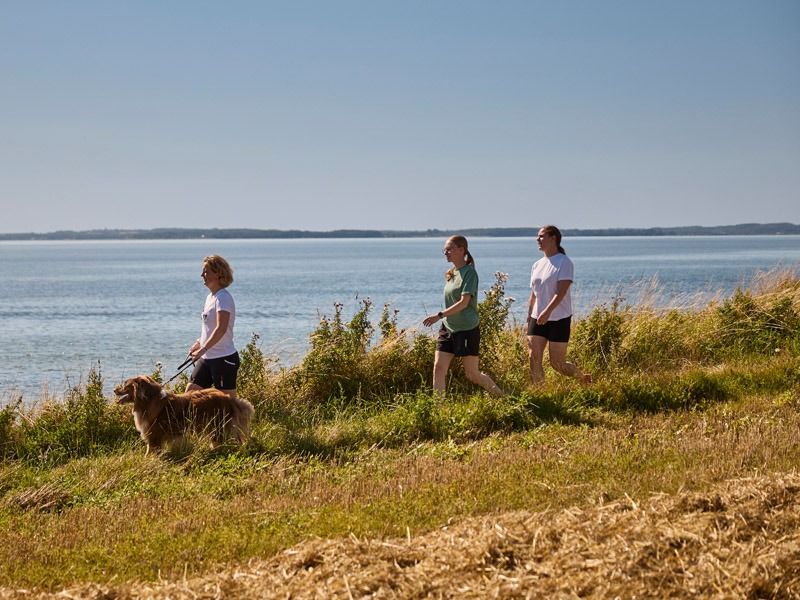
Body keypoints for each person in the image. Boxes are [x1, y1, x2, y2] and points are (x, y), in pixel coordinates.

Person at [423, 236, 503, 396]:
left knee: (472, 374)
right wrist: (444, 318)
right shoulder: (452, 273)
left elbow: (464, 303)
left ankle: (503, 398)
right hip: (448, 327)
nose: (445, 252)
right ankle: (438, 410)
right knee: (439, 368)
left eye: (449, 249)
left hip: (466, 328)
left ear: (461, 250)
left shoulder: (470, 273)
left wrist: (439, 315)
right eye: (444, 249)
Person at [527, 225, 591, 385]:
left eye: (541, 236)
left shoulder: (564, 262)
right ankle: (541, 394)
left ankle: (583, 379)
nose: (538, 240)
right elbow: (534, 294)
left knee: (557, 364)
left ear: (553, 238)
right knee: (533, 358)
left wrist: (547, 312)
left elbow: (561, 292)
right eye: (538, 236)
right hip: (537, 317)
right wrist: (529, 317)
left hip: (558, 318)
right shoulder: (537, 264)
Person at [186, 255, 240, 398]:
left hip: (223, 358)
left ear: (218, 273)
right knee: (190, 395)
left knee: (228, 405)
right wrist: (199, 343)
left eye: (206, 271)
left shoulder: (224, 298)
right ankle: (202, 421)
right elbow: (209, 327)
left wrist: (203, 348)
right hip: (207, 357)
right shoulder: (210, 297)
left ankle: (237, 421)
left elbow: (221, 328)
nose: (202, 275)